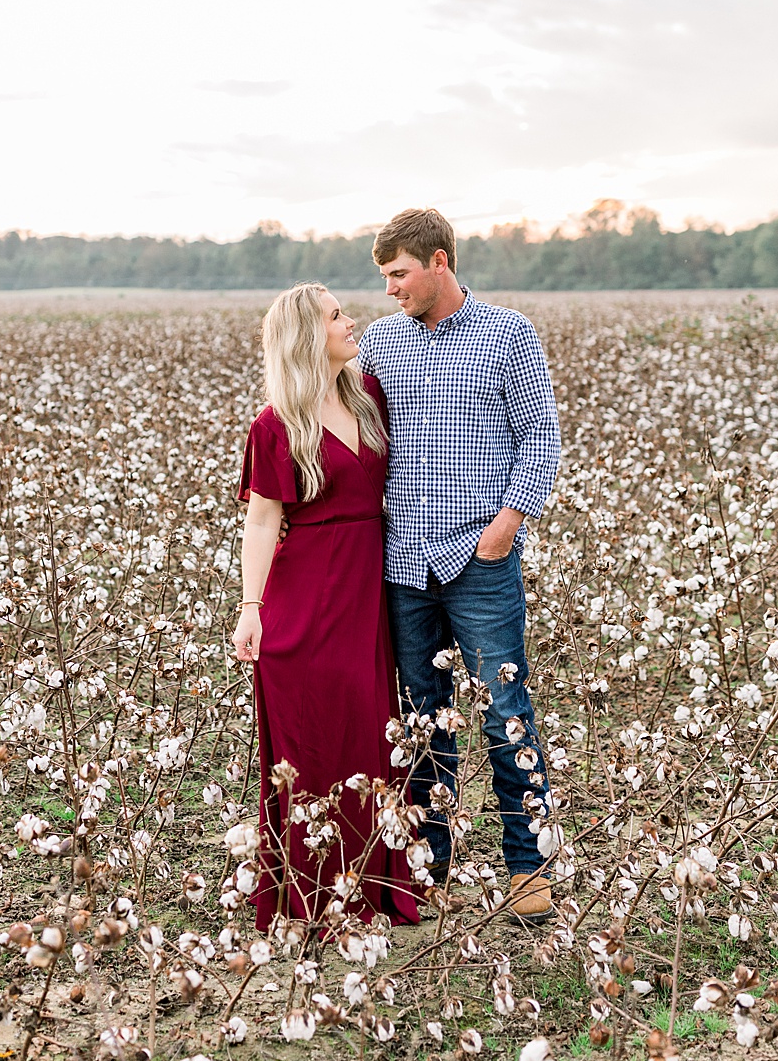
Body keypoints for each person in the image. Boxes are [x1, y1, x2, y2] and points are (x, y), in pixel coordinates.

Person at [355, 208, 562, 925]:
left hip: (480, 558)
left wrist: (505, 528)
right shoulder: (380, 344)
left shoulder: (508, 335)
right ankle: (429, 865)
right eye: (385, 278)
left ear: (438, 262)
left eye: (398, 275)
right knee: (421, 720)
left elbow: (541, 438)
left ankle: (528, 866)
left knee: (505, 714)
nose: (389, 291)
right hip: (404, 560)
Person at [232, 283, 421, 931]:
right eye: (337, 316)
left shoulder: (368, 398)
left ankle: (372, 885)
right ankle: (310, 892)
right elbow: (261, 523)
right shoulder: (275, 424)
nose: (351, 321)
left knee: (372, 730)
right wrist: (251, 607)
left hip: (367, 589)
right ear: (309, 337)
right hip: (305, 597)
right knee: (313, 744)